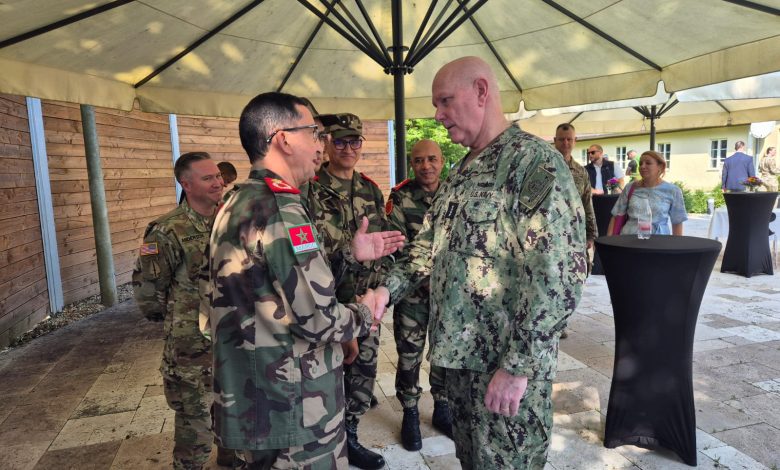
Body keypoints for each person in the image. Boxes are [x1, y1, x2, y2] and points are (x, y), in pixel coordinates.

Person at [373, 56, 587, 469]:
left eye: (445, 101)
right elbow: (427, 248)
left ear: (482, 92)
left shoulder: (533, 163)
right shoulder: (461, 171)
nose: (438, 115)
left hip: (503, 374)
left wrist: (517, 368)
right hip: (461, 369)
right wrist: (385, 290)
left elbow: (559, 277)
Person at [202, 92, 394, 468]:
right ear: (283, 140)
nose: (321, 144)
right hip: (293, 408)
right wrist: (364, 312)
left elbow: (270, 285)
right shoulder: (280, 209)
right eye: (314, 133)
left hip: (255, 398)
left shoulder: (237, 201)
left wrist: (347, 255)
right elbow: (318, 319)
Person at [132, 151, 230, 469]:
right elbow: (148, 291)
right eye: (208, 177)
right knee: (195, 428)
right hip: (193, 349)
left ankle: (233, 460)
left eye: (218, 176)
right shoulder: (167, 231)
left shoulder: (232, 221)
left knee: (233, 414)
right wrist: (179, 319)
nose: (218, 182)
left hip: (232, 341)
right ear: (186, 184)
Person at [313, 112, 390, 470]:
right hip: (324, 305)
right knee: (324, 378)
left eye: (354, 141)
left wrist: (379, 291)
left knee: (362, 374)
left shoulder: (370, 189)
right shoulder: (310, 189)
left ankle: (351, 437)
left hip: (365, 303)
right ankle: (325, 441)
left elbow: (383, 244)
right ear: (327, 143)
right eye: (340, 141)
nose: (348, 148)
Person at [386, 139, 452, 451]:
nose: (426, 166)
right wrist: (421, 278)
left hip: (448, 297)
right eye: (419, 161)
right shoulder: (400, 196)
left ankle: (442, 406)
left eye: (432, 159)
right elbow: (396, 244)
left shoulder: (455, 192)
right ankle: (410, 411)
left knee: (444, 352)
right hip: (412, 295)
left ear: (442, 161)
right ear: (412, 164)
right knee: (409, 355)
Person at [607, 150, 687, 236]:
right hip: (629, 238)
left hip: (659, 240)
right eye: (641, 163)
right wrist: (609, 241)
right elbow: (616, 215)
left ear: (660, 166)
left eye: (648, 163)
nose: (642, 166)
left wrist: (676, 243)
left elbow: (677, 222)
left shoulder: (673, 190)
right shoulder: (630, 187)